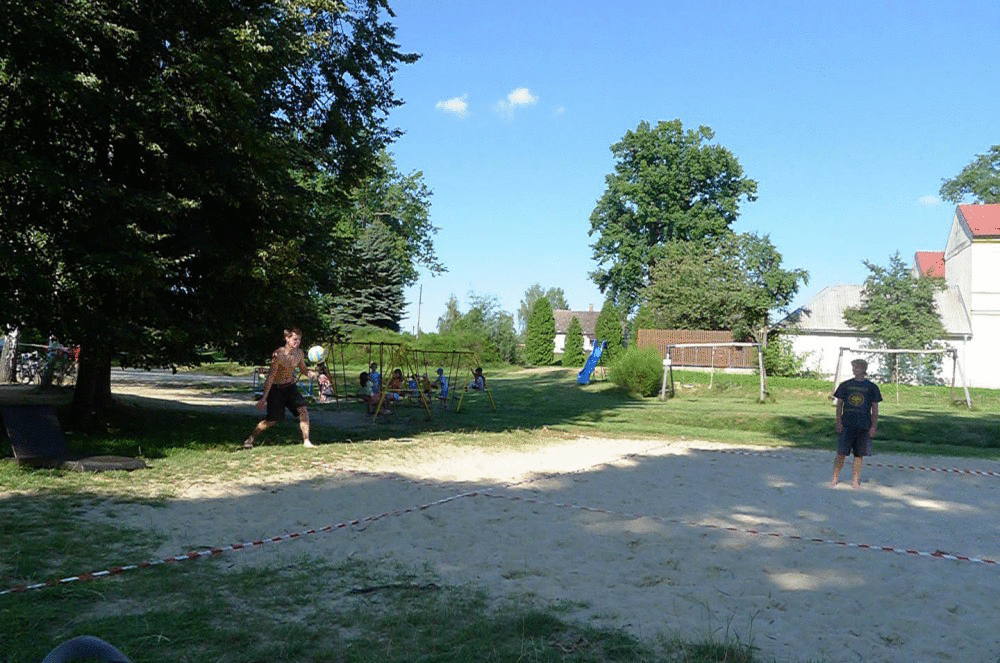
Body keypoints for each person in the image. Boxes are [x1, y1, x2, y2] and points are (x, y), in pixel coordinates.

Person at [243, 328, 316, 449]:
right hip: (276, 389)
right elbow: (270, 377)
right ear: (287, 338)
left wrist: (309, 373)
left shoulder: (299, 353)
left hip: (290, 387)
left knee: (303, 410)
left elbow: (302, 368)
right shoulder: (279, 354)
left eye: (299, 340)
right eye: (295, 339)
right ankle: (251, 438)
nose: (297, 342)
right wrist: (264, 397)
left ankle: (306, 440)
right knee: (272, 420)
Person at [832, 358, 882, 487]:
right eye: (853, 367)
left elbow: (875, 408)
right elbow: (839, 405)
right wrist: (839, 422)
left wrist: (873, 426)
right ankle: (835, 477)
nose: (854, 370)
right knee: (841, 453)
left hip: (863, 425)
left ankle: (855, 479)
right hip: (847, 423)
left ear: (864, 369)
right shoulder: (845, 385)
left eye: (857, 367)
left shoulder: (872, 387)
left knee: (859, 454)